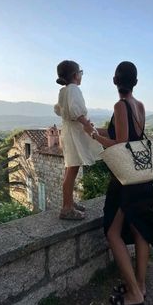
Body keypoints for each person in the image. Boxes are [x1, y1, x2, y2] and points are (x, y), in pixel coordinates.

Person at [84, 61, 153, 305]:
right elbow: (129, 137)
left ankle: (134, 296)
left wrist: (93, 136)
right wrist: (97, 130)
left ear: (114, 81)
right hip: (142, 179)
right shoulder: (139, 105)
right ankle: (141, 285)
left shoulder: (120, 105)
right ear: (135, 82)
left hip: (125, 182)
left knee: (113, 232)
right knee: (140, 230)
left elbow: (122, 142)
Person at [54, 60, 102, 220]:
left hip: (68, 131)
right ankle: (67, 208)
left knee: (70, 169)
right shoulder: (74, 89)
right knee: (72, 170)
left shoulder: (64, 91)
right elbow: (75, 110)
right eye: (81, 73)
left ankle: (69, 202)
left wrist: (82, 121)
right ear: (76, 75)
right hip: (74, 133)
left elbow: (60, 110)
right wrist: (86, 124)